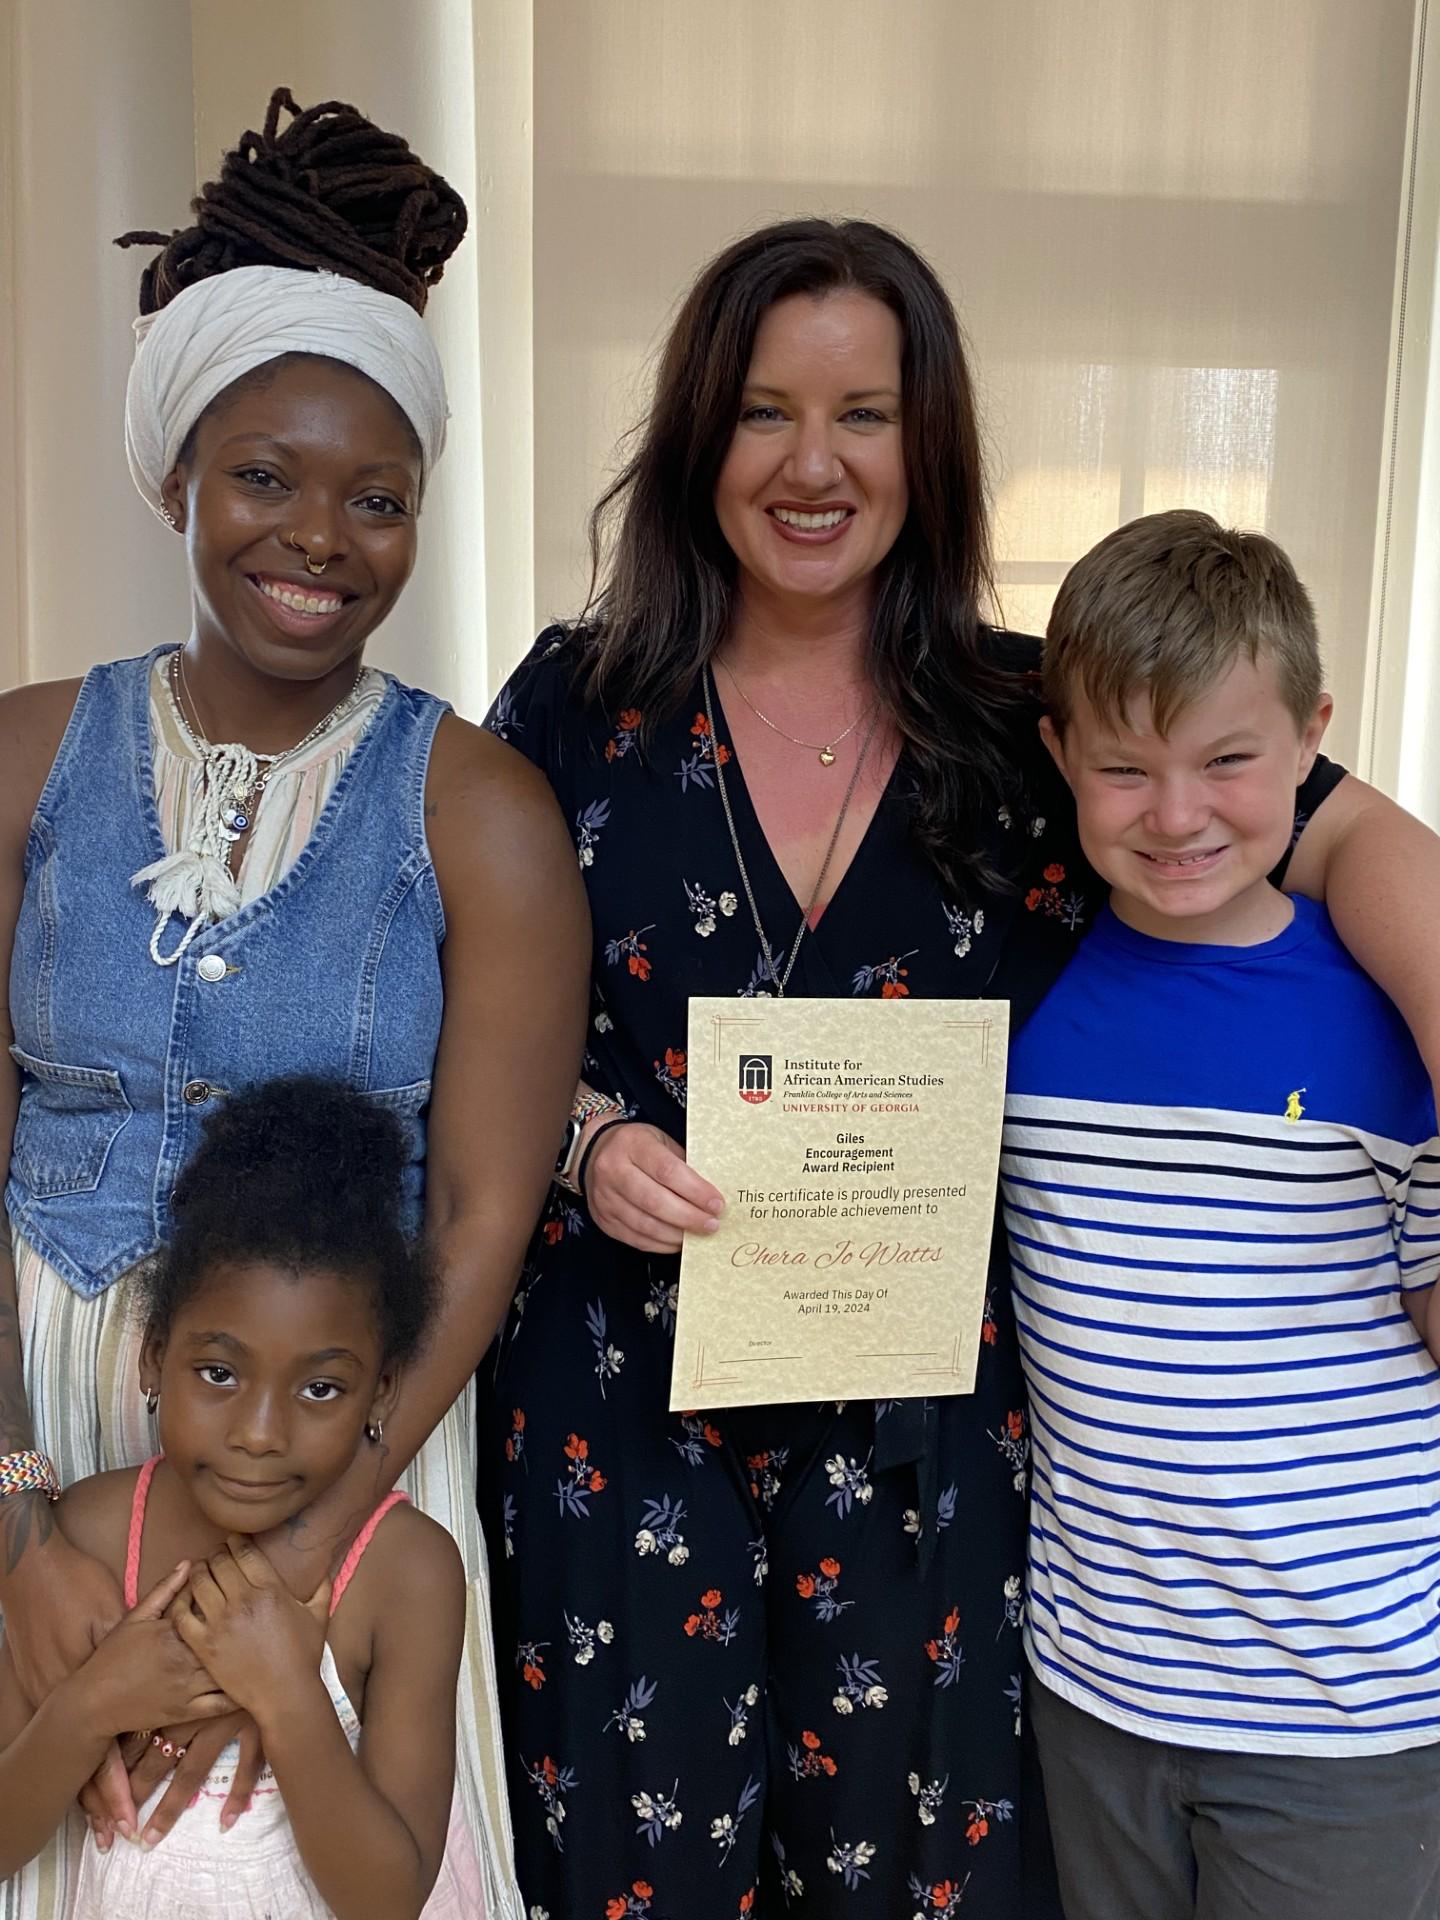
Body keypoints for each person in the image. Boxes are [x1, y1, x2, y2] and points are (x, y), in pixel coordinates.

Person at [476, 218, 1440, 1918]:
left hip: (923, 1448)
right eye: (766, 410)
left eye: (867, 411)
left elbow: (1319, 813)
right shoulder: (576, 705)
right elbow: (455, 1000)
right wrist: (586, 1139)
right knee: (640, 1871)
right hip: (620, 1413)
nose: (815, 461)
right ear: (702, 434)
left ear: (933, 443)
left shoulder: (1032, 715)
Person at [0, 88, 587, 1920]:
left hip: (338, 1416)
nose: (317, 536)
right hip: (42, 1390)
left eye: (379, 497)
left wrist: (323, 1534)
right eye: (263, 477)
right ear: (179, 478)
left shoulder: (476, 808)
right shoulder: (26, 756)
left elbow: (487, 1211)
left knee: (278, 1851)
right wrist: (18, 1516)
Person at [1003, 509, 1440, 1920]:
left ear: (1314, 740)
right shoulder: (1026, 1008)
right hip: (1094, 1693)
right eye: (1124, 767)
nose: (1177, 814)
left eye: (1228, 761)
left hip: (1353, 1716)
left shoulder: (1390, 1016)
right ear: (1062, 755)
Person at [1, 1078, 472, 1918]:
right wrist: (88, 1706)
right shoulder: (95, 1534)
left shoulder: (408, 1573)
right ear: (152, 1358)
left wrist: (290, 1697)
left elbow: (389, 1898)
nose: (260, 1432)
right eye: (218, 1373)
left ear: (384, 1391)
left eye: (322, 1389)